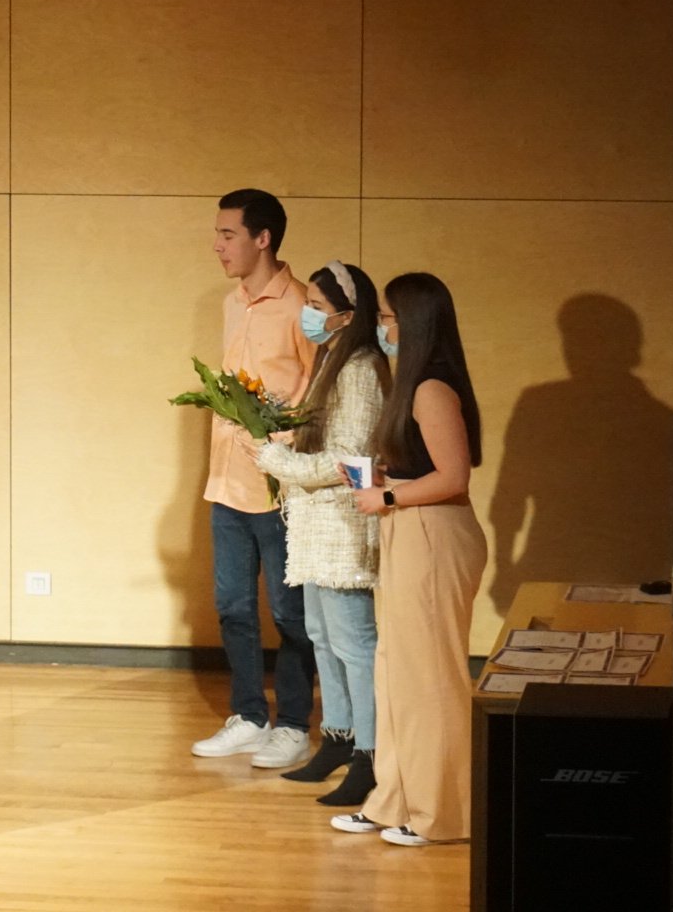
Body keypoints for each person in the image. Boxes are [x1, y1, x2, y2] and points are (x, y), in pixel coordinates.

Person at [329, 271, 485, 847]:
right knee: (396, 671)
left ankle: (441, 813)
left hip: (434, 536)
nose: (382, 328)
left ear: (414, 324)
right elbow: (424, 466)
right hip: (410, 531)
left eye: (389, 318)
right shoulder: (413, 384)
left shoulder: (432, 388)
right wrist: (383, 479)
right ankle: (394, 799)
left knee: (431, 679)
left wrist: (387, 497)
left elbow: (454, 476)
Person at [254, 261, 390, 805]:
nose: (307, 315)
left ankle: (371, 754)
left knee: (354, 644)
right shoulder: (333, 360)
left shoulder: (360, 368)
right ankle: (339, 736)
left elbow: (349, 458)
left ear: (347, 315)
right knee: (322, 635)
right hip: (316, 524)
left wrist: (279, 461)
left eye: (316, 305)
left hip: (343, 523)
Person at [190, 189, 318, 769]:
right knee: (234, 607)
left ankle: (292, 724)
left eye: (228, 235)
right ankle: (248, 715)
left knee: (290, 614)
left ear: (262, 238)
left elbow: (317, 397)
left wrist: (278, 445)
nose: (217, 246)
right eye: (217, 234)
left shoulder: (303, 307)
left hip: (279, 488)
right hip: (226, 483)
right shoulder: (231, 303)